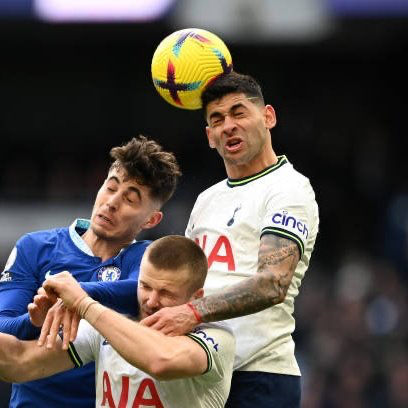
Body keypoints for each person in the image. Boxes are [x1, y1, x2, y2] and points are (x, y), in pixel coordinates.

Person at [141, 71, 320, 407]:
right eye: (217, 119)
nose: (229, 126)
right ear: (210, 136)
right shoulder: (207, 200)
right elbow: (181, 282)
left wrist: (192, 313)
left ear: (268, 117)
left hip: (259, 376)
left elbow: (272, 283)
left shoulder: (289, 189)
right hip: (200, 372)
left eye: (239, 113)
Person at [0, 135, 181, 407]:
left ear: (151, 219)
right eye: (110, 188)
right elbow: (3, 325)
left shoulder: (147, 258)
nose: (112, 203)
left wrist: (77, 295)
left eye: (130, 200)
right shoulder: (35, 246)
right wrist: (33, 321)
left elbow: (142, 292)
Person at [0, 235, 236, 408]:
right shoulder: (110, 326)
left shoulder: (215, 337)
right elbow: (19, 361)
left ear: (196, 297)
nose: (151, 301)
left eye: (166, 293)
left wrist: (84, 303)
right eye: (145, 286)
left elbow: (161, 361)